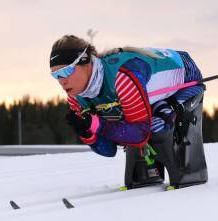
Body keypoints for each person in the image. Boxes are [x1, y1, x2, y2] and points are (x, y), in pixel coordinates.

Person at [50, 35, 208, 189]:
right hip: (147, 93)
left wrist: (98, 125)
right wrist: (88, 133)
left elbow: (140, 135)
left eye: (66, 71)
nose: (62, 81)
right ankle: (147, 172)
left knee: (157, 124)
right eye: (56, 75)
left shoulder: (123, 77)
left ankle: (188, 170)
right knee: (126, 123)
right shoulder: (75, 98)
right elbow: (109, 151)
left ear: (86, 61)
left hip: (187, 81)